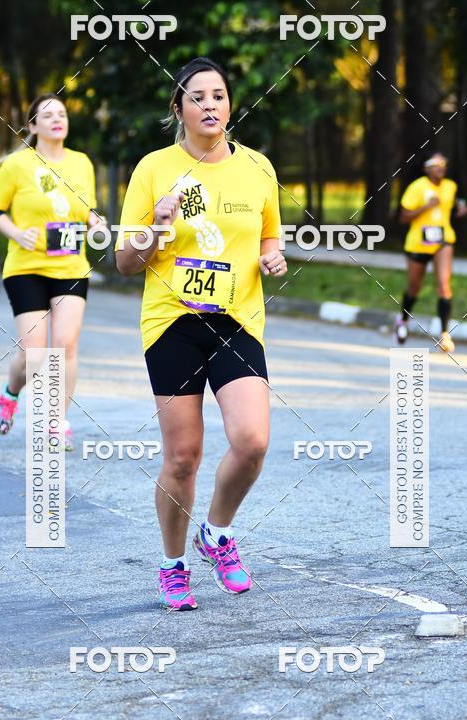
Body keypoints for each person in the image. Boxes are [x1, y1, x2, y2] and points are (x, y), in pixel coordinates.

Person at [116, 57, 286, 611]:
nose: (210, 105)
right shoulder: (154, 169)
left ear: (229, 104)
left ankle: (216, 532)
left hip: (237, 320)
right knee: (183, 456)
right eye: (198, 97)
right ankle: (172, 565)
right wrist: (155, 230)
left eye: (218, 95)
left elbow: (267, 238)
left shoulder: (258, 169)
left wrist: (273, 258)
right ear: (180, 109)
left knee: (253, 440)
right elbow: (123, 261)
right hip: (173, 323)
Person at [0, 94, 102, 449]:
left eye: (62, 114)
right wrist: (18, 233)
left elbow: (87, 211)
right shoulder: (17, 166)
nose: (57, 120)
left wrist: (96, 223)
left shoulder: (82, 163)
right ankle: (10, 392)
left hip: (70, 265)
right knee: (33, 353)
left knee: (65, 345)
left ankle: (56, 422)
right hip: (26, 267)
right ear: (33, 126)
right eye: (47, 115)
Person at [396, 153, 467, 352]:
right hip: (418, 243)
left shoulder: (450, 186)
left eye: (443, 165)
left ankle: (445, 334)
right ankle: (402, 320)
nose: (441, 168)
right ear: (427, 168)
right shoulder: (417, 187)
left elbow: (455, 201)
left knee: (444, 284)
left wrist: (461, 207)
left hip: (443, 240)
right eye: (436, 165)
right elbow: (403, 217)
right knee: (414, 287)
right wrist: (427, 207)